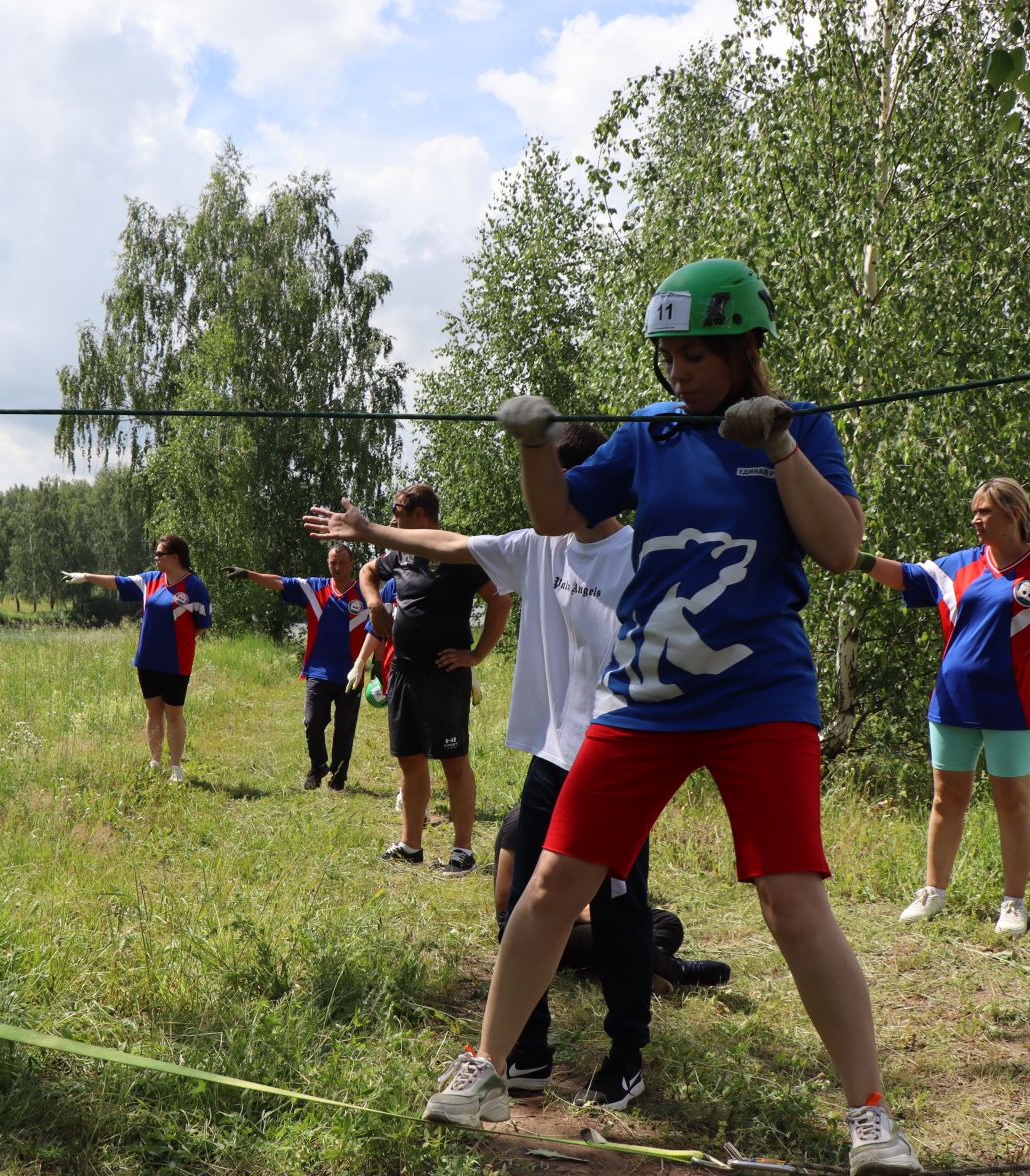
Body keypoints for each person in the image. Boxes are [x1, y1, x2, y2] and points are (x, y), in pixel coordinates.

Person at [422, 258, 920, 1176]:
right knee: (551, 883)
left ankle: (872, 1118)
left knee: (791, 901)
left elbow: (843, 548)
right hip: (643, 696)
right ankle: (486, 1070)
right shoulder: (651, 435)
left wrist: (777, 448)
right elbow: (562, 515)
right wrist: (536, 446)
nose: (677, 372)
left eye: (695, 355)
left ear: (743, 349)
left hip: (759, 697)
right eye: (666, 356)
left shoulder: (801, 426)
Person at [309, 424, 659, 1106]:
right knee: (516, 899)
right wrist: (371, 530)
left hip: (620, 757)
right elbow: (446, 544)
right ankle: (525, 1053)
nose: (534, 496)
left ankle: (626, 1054)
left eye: (545, 479)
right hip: (553, 758)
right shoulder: (537, 547)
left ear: (583, 482)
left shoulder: (639, 555)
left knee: (619, 911)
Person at [857, 478, 1030, 936]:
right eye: (975, 512)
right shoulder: (958, 566)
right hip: (953, 702)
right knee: (946, 799)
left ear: (1014, 514)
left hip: (1013, 706)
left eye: (985, 512)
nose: (976, 520)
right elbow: (907, 576)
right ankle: (933, 893)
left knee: (1012, 803)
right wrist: (855, 559)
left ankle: (1013, 903)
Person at [357, 484, 512, 875]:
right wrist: (375, 605)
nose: (392, 519)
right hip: (405, 671)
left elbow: (501, 599)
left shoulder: (458, 553)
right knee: (409, 759)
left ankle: (463, 850)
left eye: (398, 510)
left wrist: (476, 654)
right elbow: (367, 571)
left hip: (446, 675)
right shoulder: (403, 552)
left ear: (420, 513)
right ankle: (412, 844)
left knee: (453, 760)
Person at [491, 805, 732, 995]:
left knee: (667, 923)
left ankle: (606, 970)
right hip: (535, 926)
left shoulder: (579, 815)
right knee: (619, 934)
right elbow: (504, 900)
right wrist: (581, 913)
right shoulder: (524, 819)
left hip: (580, 913)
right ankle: (676, 970)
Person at [63, 534, 212, 784]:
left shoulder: (195, 586)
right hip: (147, 661)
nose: (155, 558)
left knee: (174, 714)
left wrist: (178, 640)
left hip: (177, 662)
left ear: (174, 558)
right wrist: (87, 576)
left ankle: (175, 767)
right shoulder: (149, 580)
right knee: (153, 712)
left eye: (159, 554)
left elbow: (202, 626)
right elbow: (117, 582)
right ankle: (155, 761)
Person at [223, 544, 371, 791]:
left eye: (342, 562)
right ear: (328, 563)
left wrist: (375, 666)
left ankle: (339, 776)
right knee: (312, 722)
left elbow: (378, 627)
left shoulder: (365, 595)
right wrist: (249, 574)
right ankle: (318, 766)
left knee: (345, 728)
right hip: (318, 670)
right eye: (333, 562)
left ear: (351, 564)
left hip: (351, 674)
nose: (337, 567)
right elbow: (281, 582)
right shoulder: (314, 588)